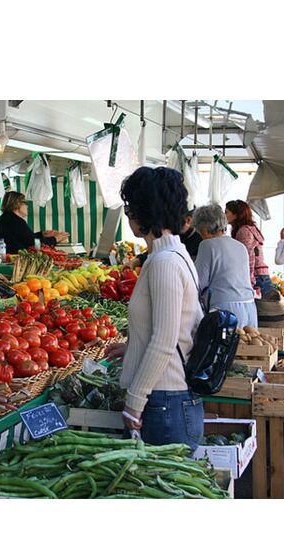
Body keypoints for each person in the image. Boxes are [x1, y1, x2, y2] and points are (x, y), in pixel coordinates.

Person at [104, 167, 203, 450]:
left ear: (144, 211)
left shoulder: (164, 262)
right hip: (170, 399)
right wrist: (132, 347)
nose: (129, 216)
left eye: (130, 209)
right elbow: (174, 327)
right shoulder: (174, 255)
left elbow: (164, 341)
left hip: (165, 402)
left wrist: (134, 403)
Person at [193, 205, 258, 329]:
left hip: (226, 309)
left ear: (205, 230)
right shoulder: (240, 246)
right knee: (249, 341)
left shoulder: (207, 245)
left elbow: (198, 282)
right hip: (249, 307)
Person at [225, 199, 274, 295]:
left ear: (236, 215)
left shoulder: (244, 231)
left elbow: (247, 257)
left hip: (256, 277)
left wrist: (249, 282)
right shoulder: (248, 228)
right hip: (260, 275)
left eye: (226, 212)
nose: (224, 215)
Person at [0, 191, 68, 254]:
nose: (27, 206)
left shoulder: (6, 218)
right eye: (25, 203)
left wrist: (42, 234)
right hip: (14, 259)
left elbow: (25, 238)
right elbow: (33, 244)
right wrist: (55, 239)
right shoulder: (15, 221)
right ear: (17, 203)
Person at [129, 208, 202, 269]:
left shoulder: (200, 241)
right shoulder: (174, 234)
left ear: (188, 220)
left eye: (174, 219)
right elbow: (158, 248)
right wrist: (137, 260)